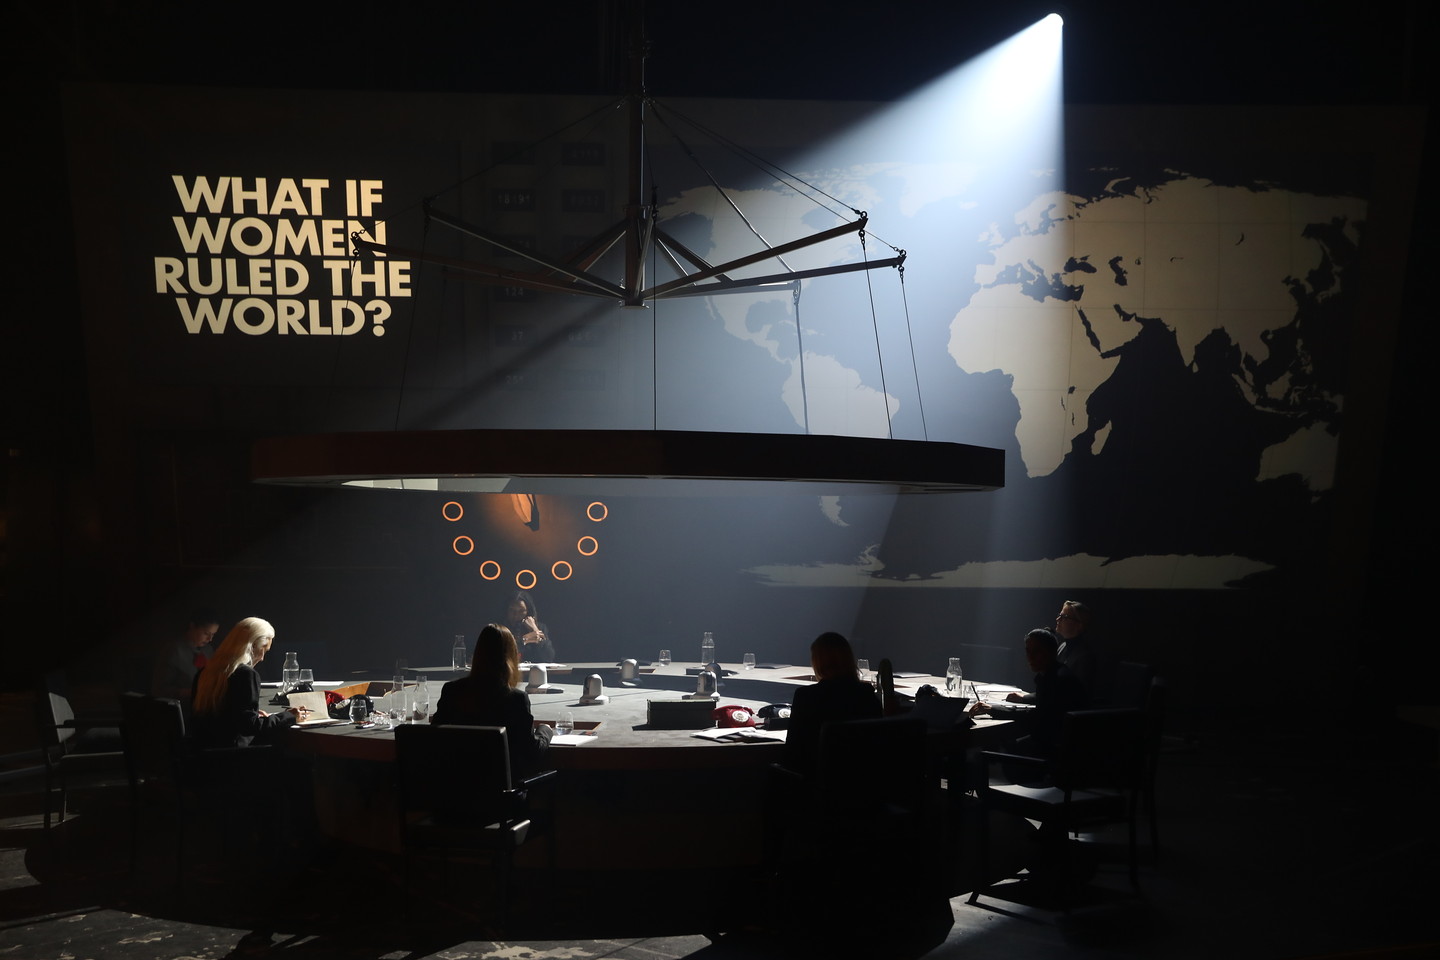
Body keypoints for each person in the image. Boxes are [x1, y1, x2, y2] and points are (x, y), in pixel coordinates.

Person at [431, 623, 553, 777]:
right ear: (511, 657)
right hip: (501, 796)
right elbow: (531, 752)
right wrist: (545, 731)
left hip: (456, 792)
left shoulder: (451, 691)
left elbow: (434, 739)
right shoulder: (516, 700)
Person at [969, 627, 1087, 758]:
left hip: (1051, 752)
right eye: (1028, 651)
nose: (1030, 657)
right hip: (1059, 745)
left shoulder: (1056, 680)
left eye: (1036, 652)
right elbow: (1047, 700)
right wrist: (1024, 698)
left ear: (1051, 652)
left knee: (979, 753)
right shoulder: (1057, 673)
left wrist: (992, 709)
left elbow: (1033, 716)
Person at [191, 617, 307, 748]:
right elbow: (250, 727)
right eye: (263, 650)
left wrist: (250, 715)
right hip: (234, 758)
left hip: (203, 754)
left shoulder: (205, 672)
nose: (262, 658)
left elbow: (223, 715)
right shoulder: (245, 675)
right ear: (253, 646)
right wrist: (287, 716)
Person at [782, 632, 882, 775]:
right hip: (861, 782)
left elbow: (793, 751)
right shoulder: (866, 694)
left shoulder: (806, 697)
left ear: (817, 662)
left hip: (815, 784)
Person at [152, 609, 220, 703]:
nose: (210, 639)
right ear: (192, 626)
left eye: (213, 635)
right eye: (206, 633)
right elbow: (159, 689)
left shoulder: (208, 650)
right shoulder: (173, 650)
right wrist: (188, 692)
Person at [1052, 599, 1097, 695]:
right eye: (1059, 615)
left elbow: (1076, 693)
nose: (1058, 619)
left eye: (1064, 617)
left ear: (1079, 625)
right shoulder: (1062, 646)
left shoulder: (1085, 656)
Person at [503, 589, 555, 662]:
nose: (516, 615)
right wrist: (523, 641)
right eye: (512, 610)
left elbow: (548, 657)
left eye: (521, 611)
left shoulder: (540, 627)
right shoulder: (500, 629)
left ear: (528, 612)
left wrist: (534, 629)